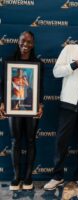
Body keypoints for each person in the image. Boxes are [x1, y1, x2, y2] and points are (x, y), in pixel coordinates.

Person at [43, 25, 78, 191]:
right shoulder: (70, 49)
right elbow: (56, 72)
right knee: (61, 142)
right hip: (67, 106)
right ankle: (57, 176)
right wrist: (74, 65)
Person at [0, 31, 44, 190]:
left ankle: (28, 177)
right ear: (18, 41)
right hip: (14, 107)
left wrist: (40, 104)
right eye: (23, 41)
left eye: (29, 42)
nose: (26, 44)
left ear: (33, 44)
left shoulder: (38, 63)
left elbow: (40, 87)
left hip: (31, 107)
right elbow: (3, 85)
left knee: (31, 140)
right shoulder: (8, 61)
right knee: (15, 141)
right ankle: (16, 177)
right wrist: (2, 103)